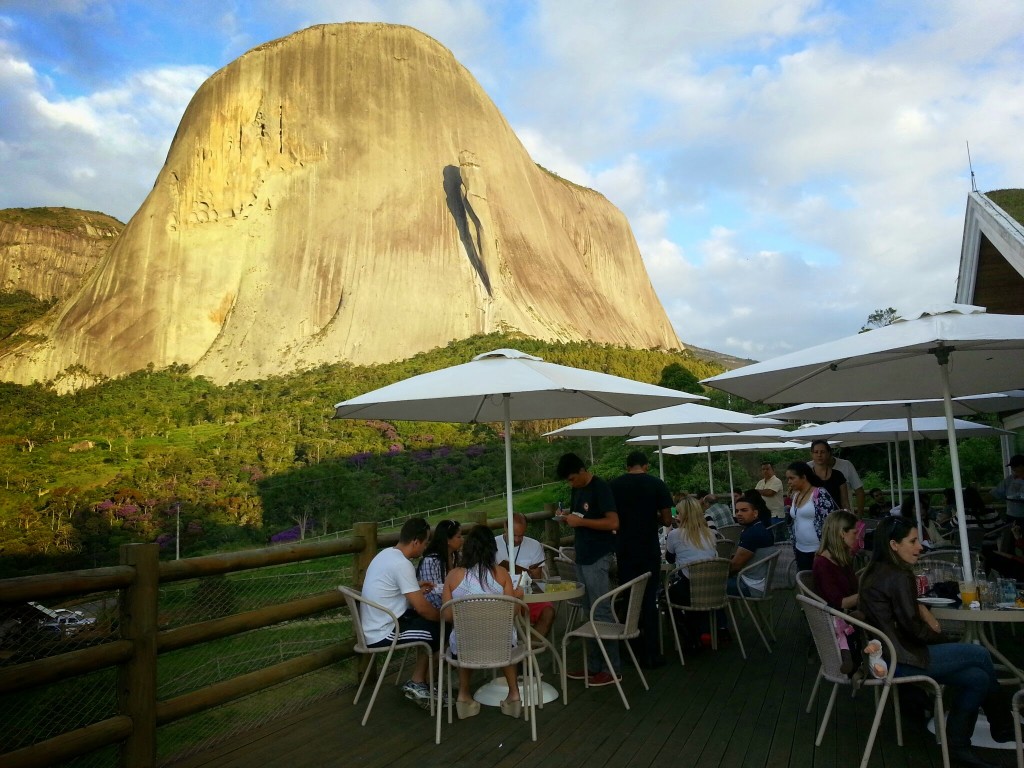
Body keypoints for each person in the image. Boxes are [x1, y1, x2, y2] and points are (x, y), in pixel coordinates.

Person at [859, 516, 1013, 768]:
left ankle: (959, 747)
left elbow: (905, 620)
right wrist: (944, 638)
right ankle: (1004, 725)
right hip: (902, 658)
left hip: (886, 656)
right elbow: (915, 630)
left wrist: (923, 614)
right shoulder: (899, 575)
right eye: (913, 541)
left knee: (978, 678)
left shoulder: (873, 572)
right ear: (894, 545)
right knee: (979, 654)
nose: (920, 547)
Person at [441, 525, 524, 720]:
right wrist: (518, 596)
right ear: (492, 549)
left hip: (465, 646)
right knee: (504, 638)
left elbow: (447, 616)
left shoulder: (453, 576)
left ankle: (463, 695)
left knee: (465, 635)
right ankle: (513, 694)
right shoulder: (502, 574)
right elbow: (513, 613)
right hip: (500, 646)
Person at [360, 517, 441, 709]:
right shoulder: (402, 564)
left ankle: (422, 681)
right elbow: (422, 608)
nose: (425, 548)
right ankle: (419, 683)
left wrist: (415, 587)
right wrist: (443, 617)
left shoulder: (386, 554)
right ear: (415, 542)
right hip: (384, 631)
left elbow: (392, 590)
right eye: (425, 542)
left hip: (377, 623)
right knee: (437, 629)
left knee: (429, 625)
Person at [556, 452, 620, 686]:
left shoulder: (600, 488)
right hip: (582, 557)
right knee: (588, 611)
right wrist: (568, 518)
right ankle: (594, 666)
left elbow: (613, 522)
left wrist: (580, 522)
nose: (570, 483)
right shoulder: (577, 490)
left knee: (601, 610)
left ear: (582, 471)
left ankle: (612, 668)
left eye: (572, 479)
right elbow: (580, 516)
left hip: (598, 556)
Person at [609, 450, 673, 669]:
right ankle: (651, 652)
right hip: (649, 549)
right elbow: (666, 519)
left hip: (625, 549)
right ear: (645, 466)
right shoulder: (657, 484)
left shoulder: (614, 486)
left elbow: (611, 518)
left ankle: (630, 647)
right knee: (649, 599)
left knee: (629, 597)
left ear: (627, 466)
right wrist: (651, 516)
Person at [665, 495, 717, 649]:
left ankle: (688, 636)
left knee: (667, 595)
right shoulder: (710, 533)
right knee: (685, 591)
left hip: (689, 589)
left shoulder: (675, 534)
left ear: (684, 515)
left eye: (678, 513)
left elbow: (669, 558)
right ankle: (702, 632)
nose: (676, 516)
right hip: (712, 588)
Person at [495, 512, 555, 637]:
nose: (517, 539)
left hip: (527, 597)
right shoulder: (492, 545)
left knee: (548, 611)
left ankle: (530, 649)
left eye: (521, 535)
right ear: (505, 527)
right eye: (514, 535)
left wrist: (532, 575)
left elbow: (537, 581)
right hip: (501, 599)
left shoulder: (534, 545)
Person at [787, 461, 840, 572]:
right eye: (788, 479)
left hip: (819, 549)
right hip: (800, 547)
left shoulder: (819, 493)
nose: (789, 482)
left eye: (792, 478)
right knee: (806, 581)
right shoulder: (796, 495)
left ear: (804, 477)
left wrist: (826, 549)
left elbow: (830, 522)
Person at [812, 510, 861, 612]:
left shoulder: (840, 556)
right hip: (842, 620)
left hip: (854, 612)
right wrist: (869, 594)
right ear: (842, 533)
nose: (858, 537)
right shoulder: (822, 564)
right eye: (855, 533)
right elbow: (840, 603)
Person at [728, 494, 775, 597]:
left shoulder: (752, 534)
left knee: (708, 584)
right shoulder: (759, 528)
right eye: (737, 511)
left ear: (755, 513)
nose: (739, 514)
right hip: (761, 581)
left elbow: (735, 566)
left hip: (750, 586)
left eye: (744, 510)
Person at [416, 519, 463, 610]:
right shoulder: (431, 561)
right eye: (459, 536)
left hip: (455, 607)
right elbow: (431, 594)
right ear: (448, 540)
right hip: (437, 610)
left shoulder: (457, 557)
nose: (462, 539)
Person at [808, 440, 850, 511]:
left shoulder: (838, 475)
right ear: (812, 454)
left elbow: (845, 503)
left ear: (828, 453)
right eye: (816, 452)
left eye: (823, 452)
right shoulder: (807, 476)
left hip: (835, 518)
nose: (819, 455)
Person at [991, 454, 1024, 521]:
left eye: (1016, 466)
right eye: (1012, 466)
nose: (1013, 468)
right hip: (1012, 516)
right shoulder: (1009, 480)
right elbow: (996, 493)